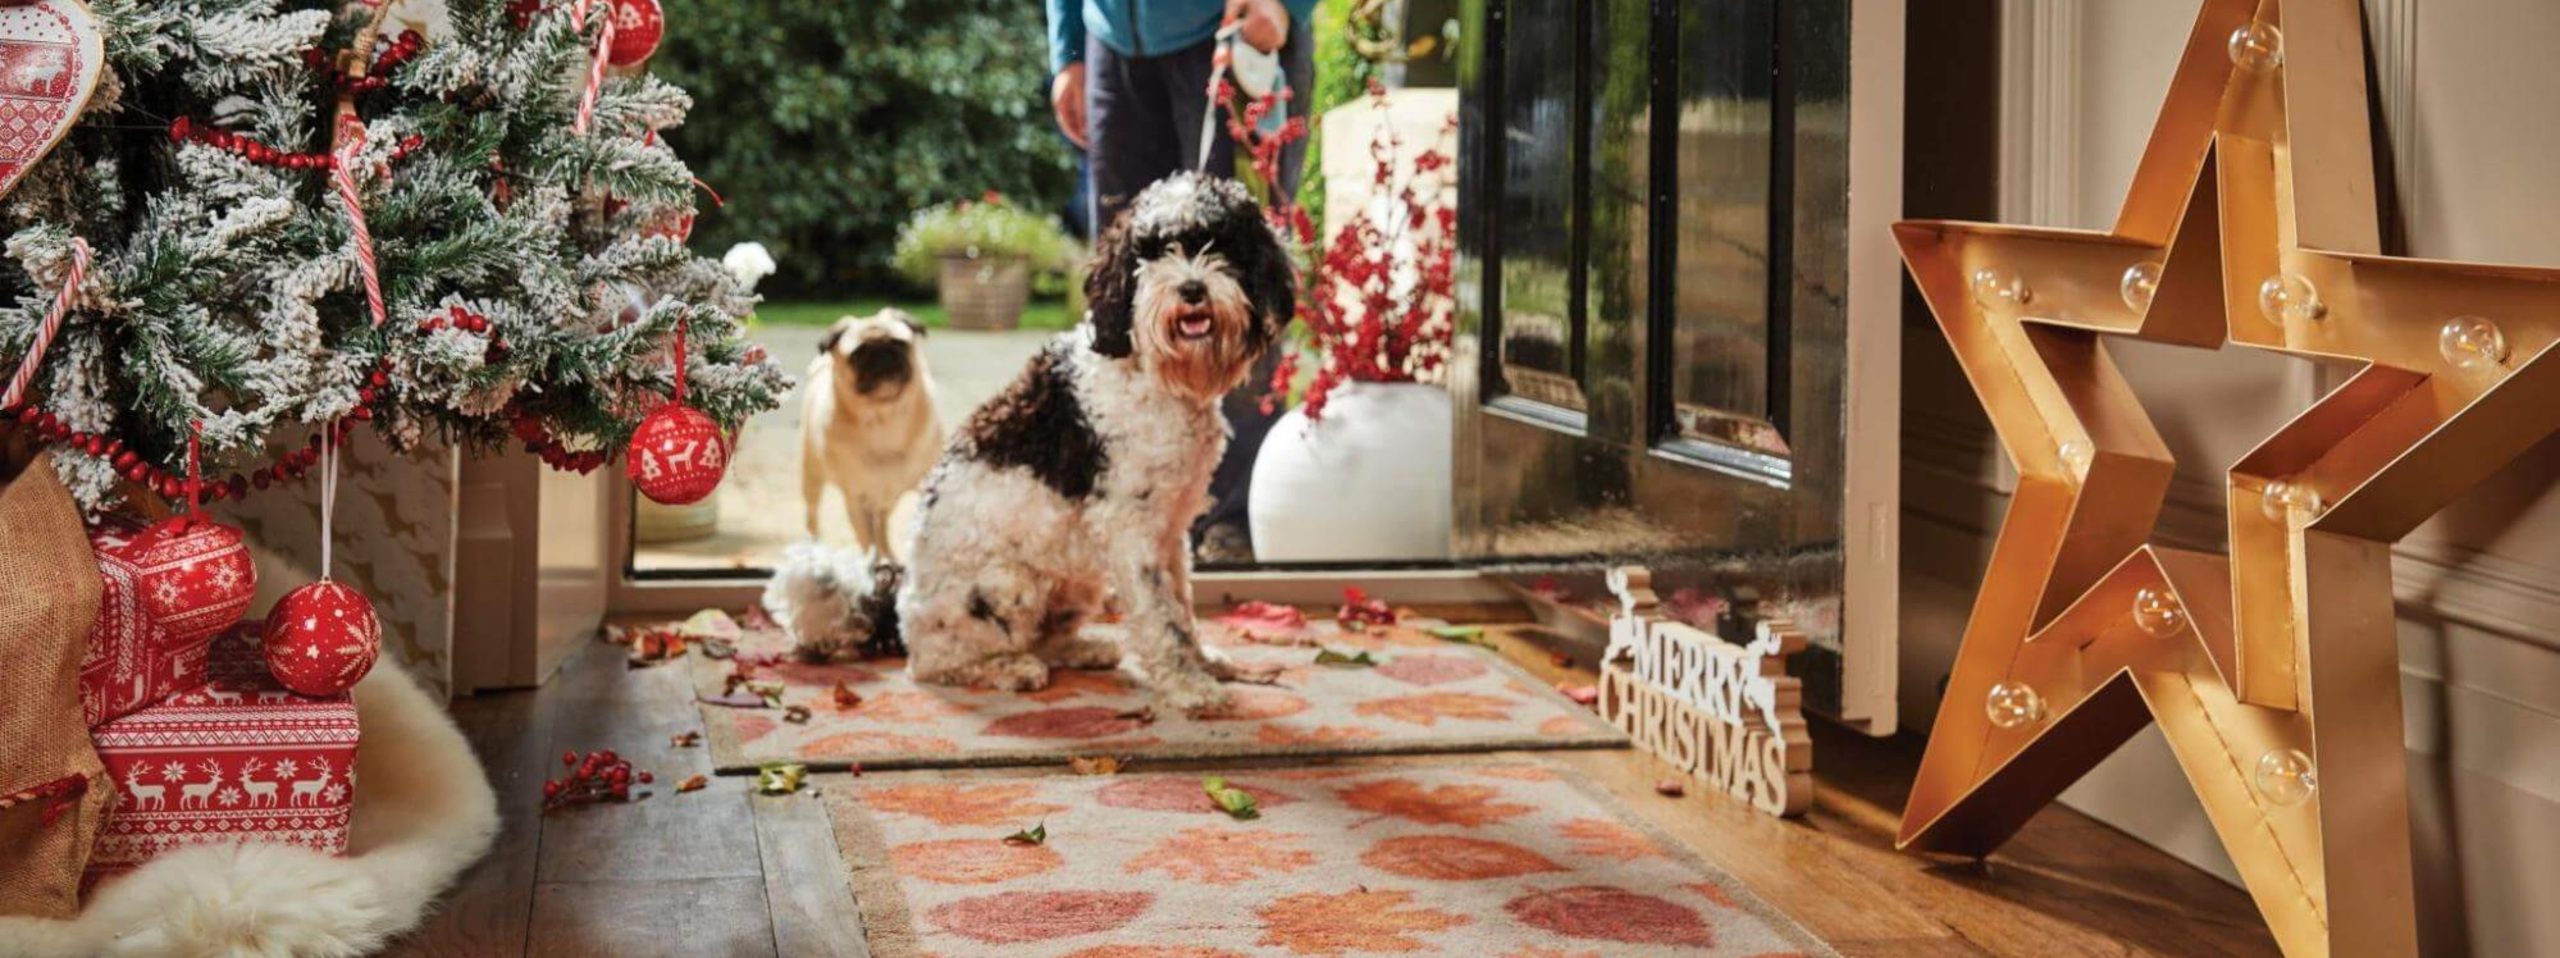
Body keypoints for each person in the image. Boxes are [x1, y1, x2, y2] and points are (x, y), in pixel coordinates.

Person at [1045, 0, 1316, 562]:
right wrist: (1067, 49)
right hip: (1111, 44)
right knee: (1124, 296)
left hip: (1231, 30)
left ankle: (1234, 519)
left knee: (1238, 283)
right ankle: (1132, 507)